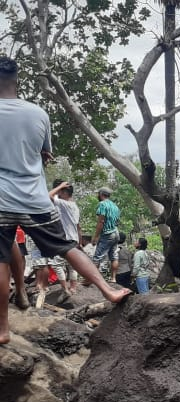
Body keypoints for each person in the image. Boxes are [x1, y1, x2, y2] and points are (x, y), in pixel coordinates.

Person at [0, 55, 129, 344]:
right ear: (17, 81)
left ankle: (3, 330)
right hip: (35, 199)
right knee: (67, 247)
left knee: (0, 260)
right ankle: (108, 290)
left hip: (1, 201)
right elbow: (44, 154)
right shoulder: (38, 114)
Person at [49, 180, 80, 293]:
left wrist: (60, 186)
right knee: (73, 265)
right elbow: (78, 226)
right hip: (74, 238)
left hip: (64, 238)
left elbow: (49, 195)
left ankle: (65, 289)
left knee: (57, 264)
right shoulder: (75, 206)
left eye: (61, 191)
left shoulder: (63, 203)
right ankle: (73, 288)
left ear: (65, 192)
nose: (59, 194)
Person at [91, 186, 120, 278]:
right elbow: (117, 221)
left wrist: (96, 236)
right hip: (116, 232)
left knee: (97, 257)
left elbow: (101, 221)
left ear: (101, 194)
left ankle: (92, 279)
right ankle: (113, 278)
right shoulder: (115, 206)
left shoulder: (102, 204)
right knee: (114, 257)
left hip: (107, 234)